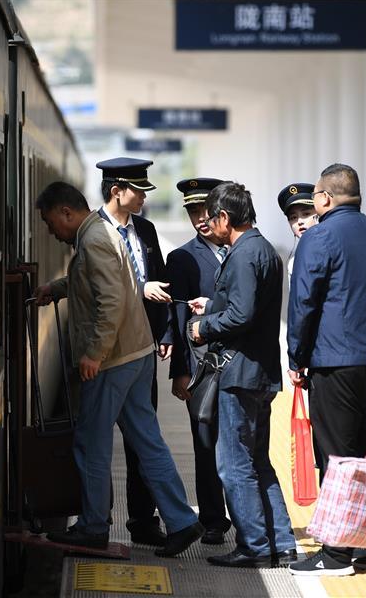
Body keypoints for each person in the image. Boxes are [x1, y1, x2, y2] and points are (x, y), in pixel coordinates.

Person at [32, 181, 203, 556]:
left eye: (49, 222)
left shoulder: (94, 239)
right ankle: (182, 521)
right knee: (147, 441)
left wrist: (94, 353)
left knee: (91, 441)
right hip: (135, 351)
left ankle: (93, 526)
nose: (51, 231)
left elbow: (110, 300)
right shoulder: (103, 230)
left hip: (114, 358)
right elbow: (104, 283)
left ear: (65, 212)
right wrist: (59, 288)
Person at [287, 163, 366, 576]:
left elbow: (304, 301)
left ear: (323, 198)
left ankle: (337, 553)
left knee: (337, 456)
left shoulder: (318, 237)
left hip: (335, 363)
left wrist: (297, 357)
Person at [187, 182, 297, 568]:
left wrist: (203, 327)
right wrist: (213, 305)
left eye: (211, 218)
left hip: (239, 374)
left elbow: (242, 314)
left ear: (225, 217)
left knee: (233, 464)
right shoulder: (263, 249)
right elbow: (247, 305)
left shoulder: (243, 254)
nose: (207, 225)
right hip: (260, 371)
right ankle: (281, 542)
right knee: (258, 461)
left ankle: (254, 546)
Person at [95, 157, 172, 546]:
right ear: (116, 191)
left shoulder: (146, 229)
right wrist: (141, 289)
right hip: (108, 352)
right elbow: (99, 287)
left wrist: (166, 331)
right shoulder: (94, 231)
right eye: (138, 190)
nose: (144, 197)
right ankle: (99, 517)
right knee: (96, 440)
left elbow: (162, 281)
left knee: (142, 438)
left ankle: (143, 520)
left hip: (142, 349)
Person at [163, 177, 233, 545]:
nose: (200, 218)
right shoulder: (182, 258)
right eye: (192, 211)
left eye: (205, 209)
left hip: (239, 363)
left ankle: (246, 519)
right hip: (202, 366)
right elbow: (177, 318)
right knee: (205, 445)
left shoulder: (242, 248)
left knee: (239, 445)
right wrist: (180, 372)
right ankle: (213, 520)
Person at [276, 183, 318, 279]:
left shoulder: (334, 251)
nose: (299, 222)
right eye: (293, 217)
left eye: (306, 214)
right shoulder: (293, 264)